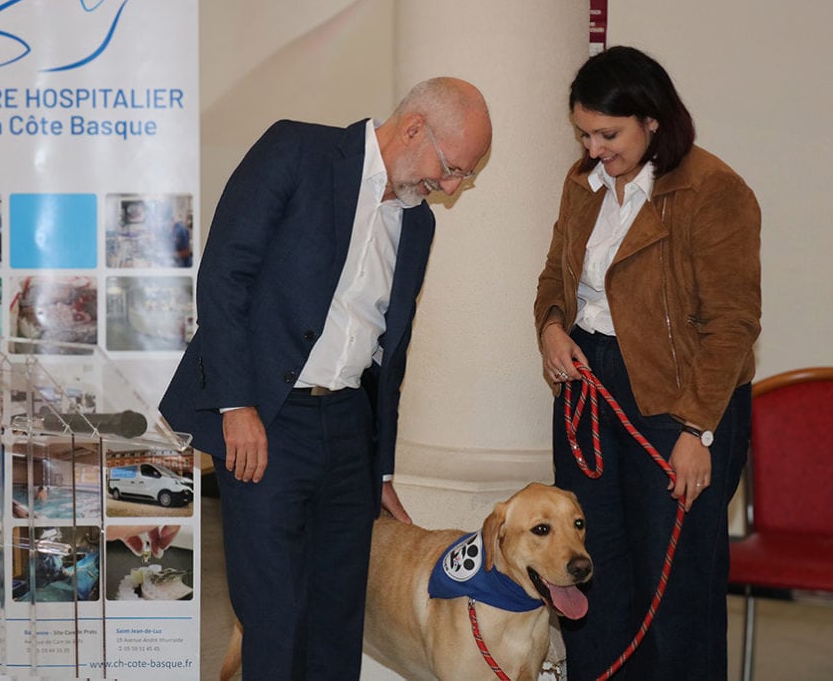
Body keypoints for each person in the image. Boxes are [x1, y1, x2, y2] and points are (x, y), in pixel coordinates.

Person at [159, 77, 492, 680]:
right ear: (414, 128)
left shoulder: (417, 224)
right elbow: (224, 276)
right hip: (266, 419)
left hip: (347, 429)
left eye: (462, 178)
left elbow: (392, 352)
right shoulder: (297, 152)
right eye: (451, 169)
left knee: (339, 618)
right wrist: (236, 404)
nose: (449, 188)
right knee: (275, 615)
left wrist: (380, 467)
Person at [533, 46, 761, 680]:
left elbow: (733, 325)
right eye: (584, 133)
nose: (594, 148)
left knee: (676, 581)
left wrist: (697, 431)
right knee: (590, 565)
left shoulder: (713, 191)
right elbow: (554, 275)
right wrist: (551, 328)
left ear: (653, 120)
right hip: (589, 387)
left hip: (682, 399)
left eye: (608, 134)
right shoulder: (582, 183)